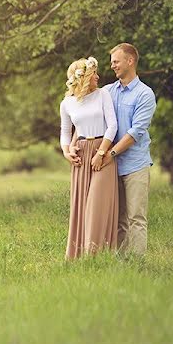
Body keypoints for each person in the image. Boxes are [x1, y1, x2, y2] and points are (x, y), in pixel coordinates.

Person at [59, 56, 118, 259]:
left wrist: (101, 153)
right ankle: (78, 257)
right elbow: (65, 133)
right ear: (83, 77)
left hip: (102, 150)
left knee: (97, 204)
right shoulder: (67, 103)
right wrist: (67, 153)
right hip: (81, 155)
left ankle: (95, 256)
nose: (98, 77)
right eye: (94, 74)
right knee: (81, 207)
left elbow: (112, 126)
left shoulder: (103, 95)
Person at [101, 43, 157, 257]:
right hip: (111, 165)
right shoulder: (107, 92)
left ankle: (137, 263)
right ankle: (121, 263)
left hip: (135, 165)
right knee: (117, 217)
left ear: (130, 61)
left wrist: (110, 154)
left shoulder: (145, 94)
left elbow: (135, 133)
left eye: (116, 61)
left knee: (136, 217)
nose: (112, 65)